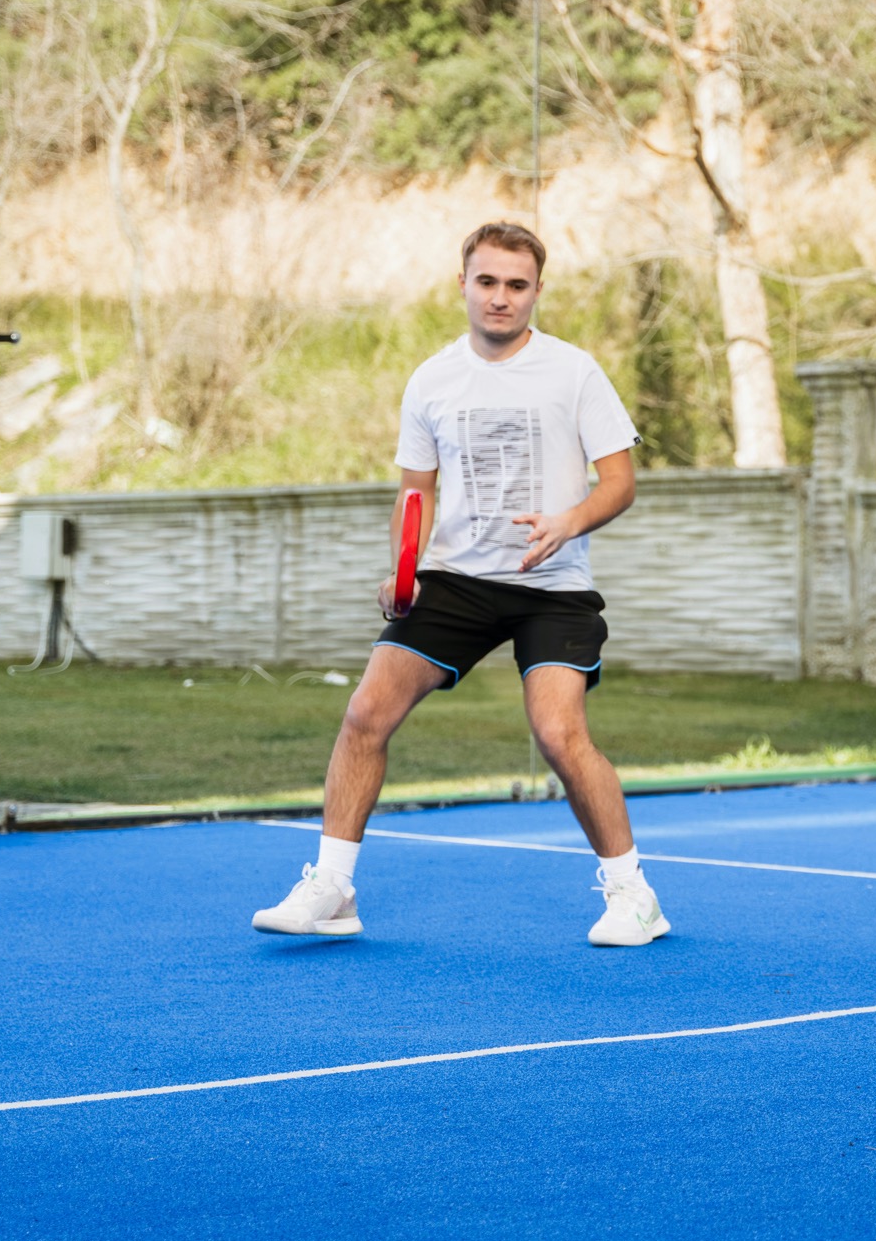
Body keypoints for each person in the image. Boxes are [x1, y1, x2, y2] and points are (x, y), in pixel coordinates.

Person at [252, 221, 668, 947]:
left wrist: (568, 522)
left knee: (558, 732)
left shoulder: (574, 371)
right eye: (487, 281)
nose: (500, 297)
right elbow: (416, 494)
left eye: (516, 284)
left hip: (554, 582)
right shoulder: (432, 379)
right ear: (463, 285)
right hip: (456, 583)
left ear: (537, 289)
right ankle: (333, 888)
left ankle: (634, 895)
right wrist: (403, 571)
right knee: (366, 712)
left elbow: (621, 482)